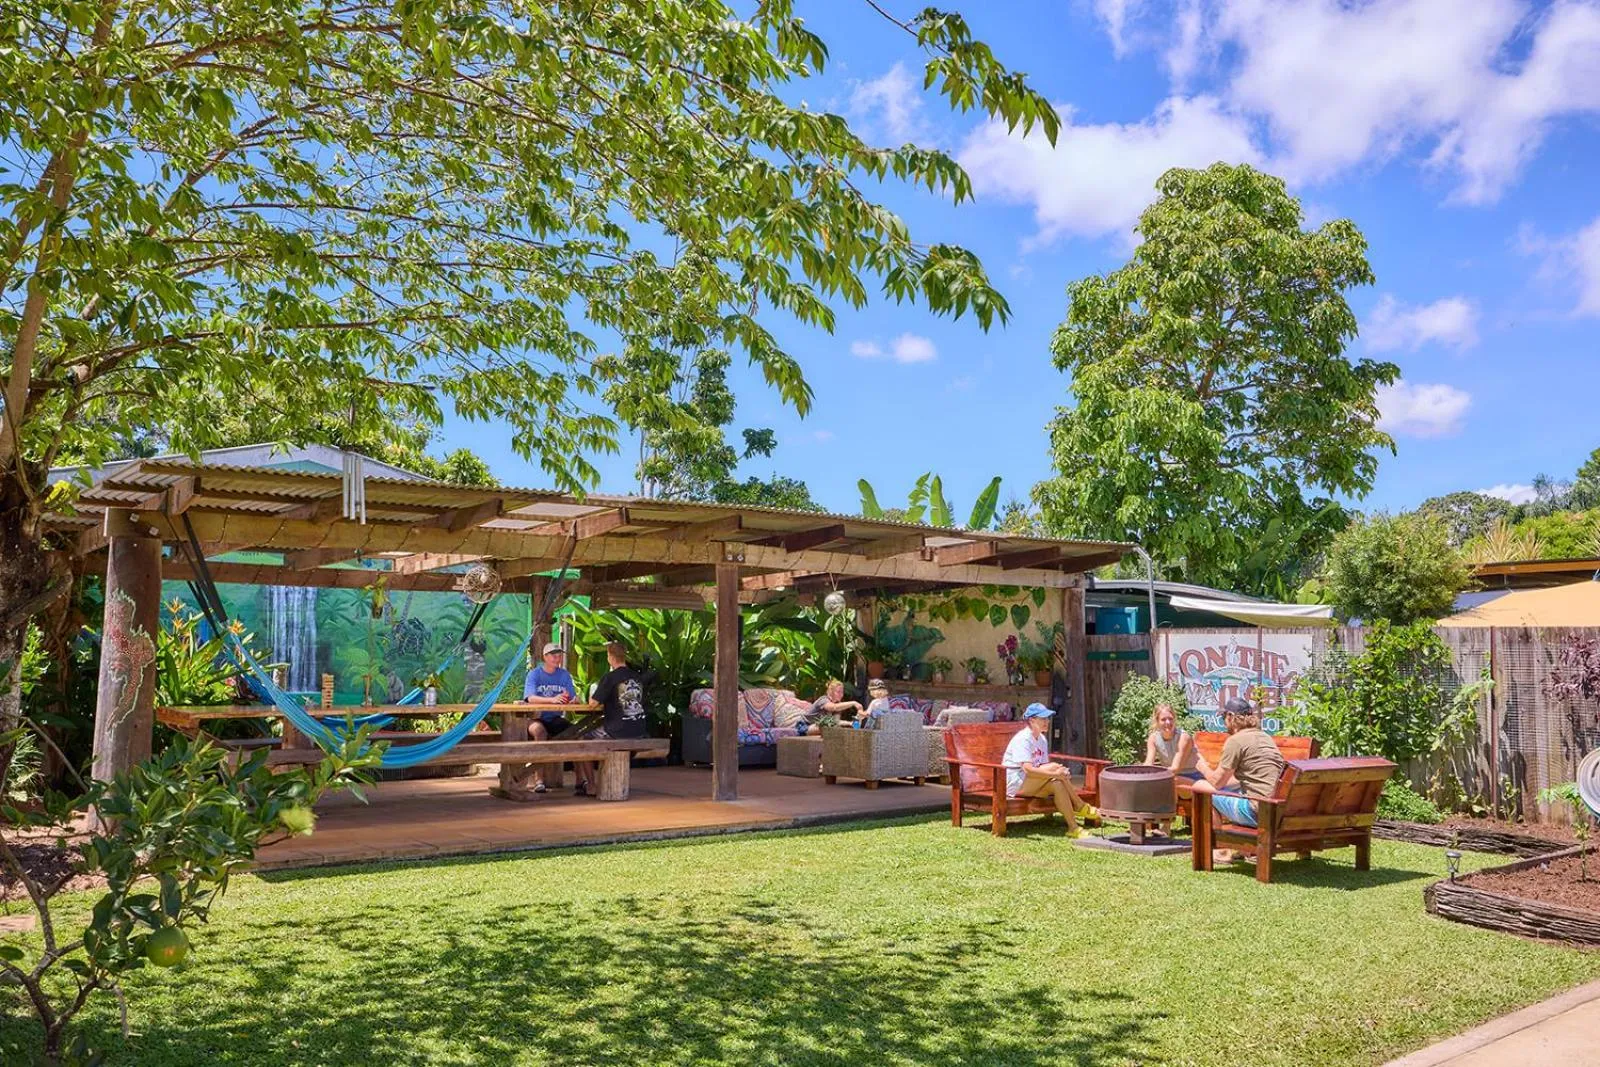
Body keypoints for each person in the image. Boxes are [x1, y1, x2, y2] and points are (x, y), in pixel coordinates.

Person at [1190, 696, 1287, 861]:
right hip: (1279, 812)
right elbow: (1248, 779)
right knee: (1236, 791)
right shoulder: (1265, 738)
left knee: (1200, 786)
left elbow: (1216, 782)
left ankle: (1220, 849)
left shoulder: (1235, 741)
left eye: (1223, 718)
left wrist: (1200, 764)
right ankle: (1246, 850)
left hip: (1257, 814)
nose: (1223, 722)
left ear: (1230, 717)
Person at [1001, 704, 1099, 838]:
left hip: (1030, 781)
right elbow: (1028, 770)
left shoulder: (1041, 739)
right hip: (1014, 783)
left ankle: (1073, 828)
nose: (1047, 722)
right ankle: (1079, 805)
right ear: (1032, 721)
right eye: (1043, 719)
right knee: (1055, 770)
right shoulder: (1023, 739)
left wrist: (1060, 774)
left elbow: (1041, 766)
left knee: (1057, 783)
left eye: (1047, 718)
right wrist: (1056, 773)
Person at [522, 642, 576, 793]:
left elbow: (571, 696)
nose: (557, 658)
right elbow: (530, 698)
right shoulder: (534, 674)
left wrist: (572, 699)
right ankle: (539, 780)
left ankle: (581, 781)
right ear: (545, 657)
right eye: (553, 655)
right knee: (540, 732)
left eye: (559, 655)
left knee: (577, 732)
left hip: (555, 718)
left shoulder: (564, 675)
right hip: (535, 718)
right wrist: (552, 700)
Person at [1145, 703, 1199, 780]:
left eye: (1170, 719)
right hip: (1169, 775)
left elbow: (1176, 768)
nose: (1168, 722)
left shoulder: (1183, 738)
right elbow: (1148, 764)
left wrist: (1155, 775)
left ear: (1174, 719)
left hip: (1192, 775)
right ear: (1157, 721)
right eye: (1163, 719)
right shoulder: (1153, 738)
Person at [795, 679, 864, 735]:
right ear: (831, 692)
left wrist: (850, 723)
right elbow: (833, 707)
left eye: (842, 692)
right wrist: (853, 703)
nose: (841, 695)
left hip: (816, 726)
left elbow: (835, 722)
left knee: (834, 727)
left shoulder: (838, 705)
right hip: (804, 726)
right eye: (838, 692)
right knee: (830, 728)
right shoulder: (823, 700)